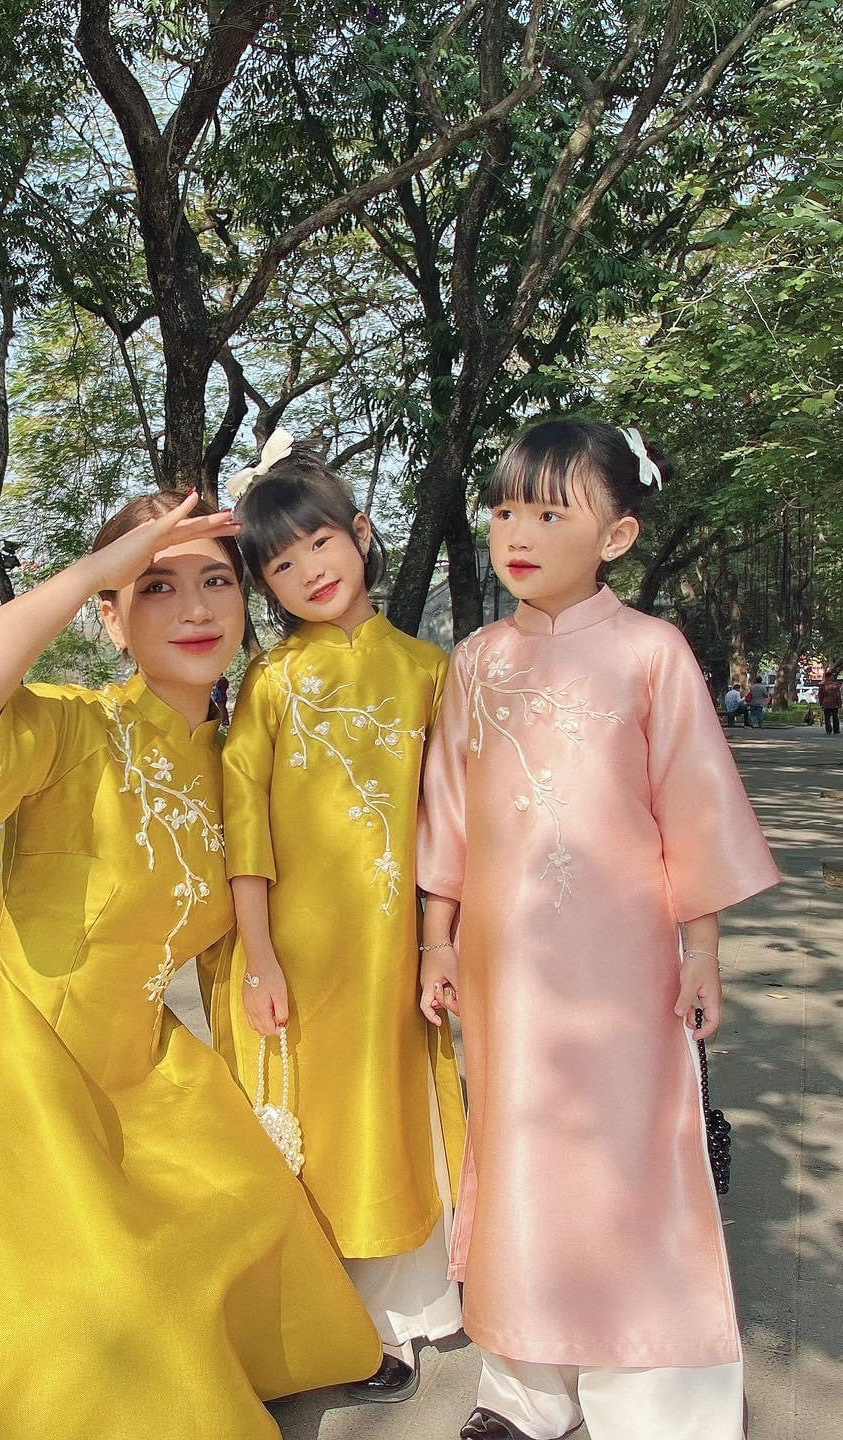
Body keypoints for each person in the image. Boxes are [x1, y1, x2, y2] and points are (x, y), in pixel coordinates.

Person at [0, 489, 381, 1440]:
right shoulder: (71, 728)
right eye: (155, 585)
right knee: (113, 1312)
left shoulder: (243, 757)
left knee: (244, 1214)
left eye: (217, 581)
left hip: (137, 1068)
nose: (194, 609)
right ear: (109, 616)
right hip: (5, 1068)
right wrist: (97, 564)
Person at [417, 419, 781, 1440]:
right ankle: (526, 1390)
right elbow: (446, 811)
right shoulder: (476, 661)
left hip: (625, 965)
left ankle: (655, 1400)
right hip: (502, 970)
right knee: (520, 1150)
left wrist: (703, 950)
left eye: (548, 511)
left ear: (615, 538)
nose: (516, 532)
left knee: (634, 1155)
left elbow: (694, 811)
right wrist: (437, 940)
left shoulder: (653, 653)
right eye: (503, 510)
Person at [214, 431, 465, 1403]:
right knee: (309, 1131)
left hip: (399, 955)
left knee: (398, 1124)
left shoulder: (429, 672)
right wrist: (260, 957)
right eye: (279, 563)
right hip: (300, 960)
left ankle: (399, 1324)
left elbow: (453, 826)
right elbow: (245, 829)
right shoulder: (273, 683)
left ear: (362, 535)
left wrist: (442, 942)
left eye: (319, 543)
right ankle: (317, 1320)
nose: (305, 570)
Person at [818, 668, 840, 735]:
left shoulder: (823, 685)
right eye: (831, 676)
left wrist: (821, 703)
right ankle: (836, 730)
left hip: (826, 703)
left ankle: (829, 730)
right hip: (833, 703)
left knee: (828, 718)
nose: (832, 677)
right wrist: (839, 703)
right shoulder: (835, 685)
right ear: (830, 677)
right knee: (834, 717)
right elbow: (838, 695)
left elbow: (820, 695)